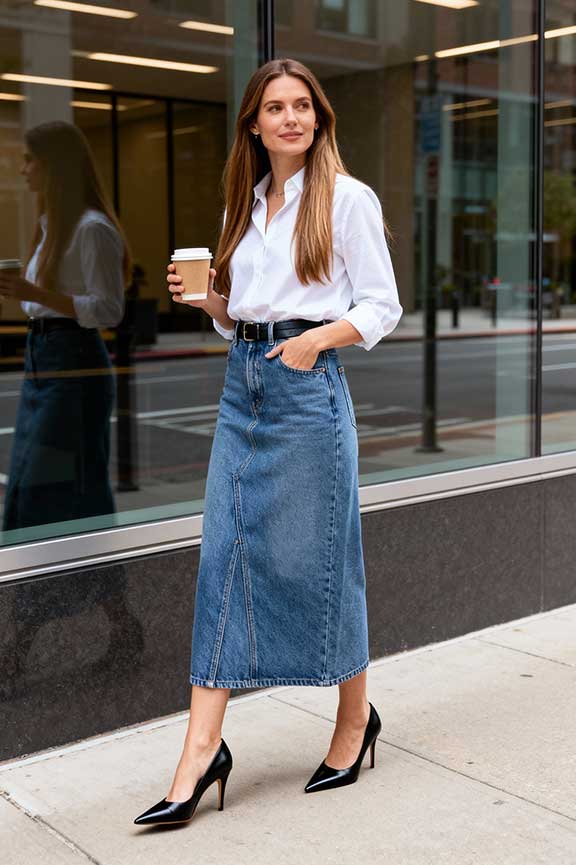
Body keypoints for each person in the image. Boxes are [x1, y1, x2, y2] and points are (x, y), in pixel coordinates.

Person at [134, 58, 403, 828]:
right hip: (242, 384)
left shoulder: (347, 200)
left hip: (307, 390)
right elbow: (242, 312)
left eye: (303, 106)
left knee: (323, 559)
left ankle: (355, 720)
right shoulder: (246, 204)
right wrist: (212, 300)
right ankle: (200, 752)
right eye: (275, 108)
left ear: (318, 117)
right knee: (223, 555)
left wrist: (316, 340)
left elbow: (381, 305)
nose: (291, 118)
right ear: (253, 123)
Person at [0, 120, 131, 530]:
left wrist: (35, 294)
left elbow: (109, 310)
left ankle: (81, 578)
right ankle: (45, 578)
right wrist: (25, 292)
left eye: (29, 160)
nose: (23, 170)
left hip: (73, 361)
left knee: (59, 478)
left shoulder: (92, 229)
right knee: (33, 472)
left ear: (53, 166)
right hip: (43, 357)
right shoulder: (49, 228)